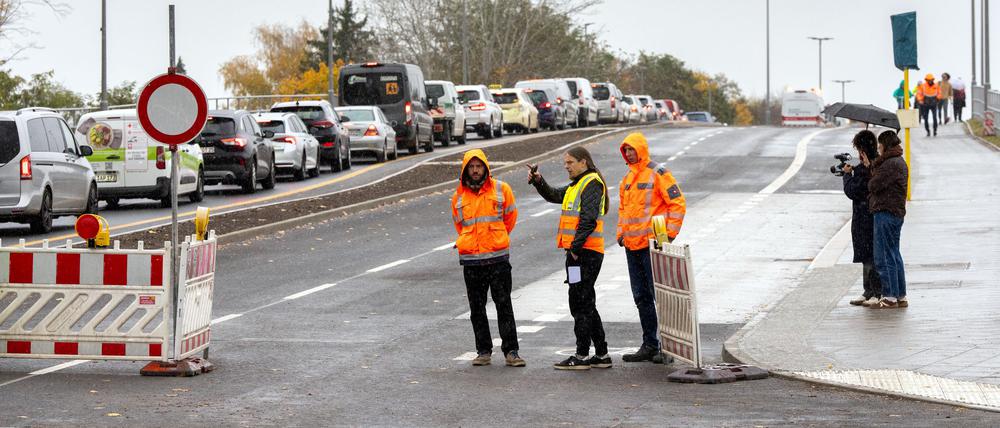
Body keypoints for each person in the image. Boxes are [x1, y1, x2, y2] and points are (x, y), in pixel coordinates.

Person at [527, 147, 612, 370]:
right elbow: (555, 195)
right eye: (565, 163)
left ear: (584, 162)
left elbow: (588, 219)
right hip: (579, 254)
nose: (566, 166)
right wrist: (538, 181)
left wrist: (574, 249)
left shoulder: (591, 183)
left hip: (585, 254)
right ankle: (601, 354)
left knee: (581, 303)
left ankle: (582, 355)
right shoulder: (578, 184)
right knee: (584, 302)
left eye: (570, 162)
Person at [615, 132, 686, 364]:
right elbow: (623, 210)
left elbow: (677, 203)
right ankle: (649, 345)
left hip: (652, 246)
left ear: (641, 149)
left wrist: (668, 235)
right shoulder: (627, 179)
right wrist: (621, 235)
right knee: (641, 297)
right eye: (626, 150)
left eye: (632, 149)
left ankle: (668, 348)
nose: (628, 153)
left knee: (660, 297)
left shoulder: (658, 173)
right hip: (632, 246)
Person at [451, 149, 524, 367]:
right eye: (471, 167)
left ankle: (511, 351)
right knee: (476, 309)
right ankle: (483, 351)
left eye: (479, 166)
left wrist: (496, 238)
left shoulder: (502, 189)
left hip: (497, 259)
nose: (475, 170)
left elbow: (510, 218)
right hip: (472, 261)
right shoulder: (458, 197)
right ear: (465, 170)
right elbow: (460, 225)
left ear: (485, 168)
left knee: (504, 305)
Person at [865, 131, 909, 309]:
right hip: (894, 212)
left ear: (886, 144)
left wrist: (872, 168)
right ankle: (900, 295)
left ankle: (890, 296)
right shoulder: (897, 161)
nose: (878, 148)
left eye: (880, 144)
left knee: (884, 255)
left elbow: (873, 185)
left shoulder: (890, 164)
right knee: (894, 253)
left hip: (886, 212)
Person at [842, 130, 882, 307]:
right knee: (866, 255)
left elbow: (853, 191)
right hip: (863, 216)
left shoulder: (873, 167)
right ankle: (868, 290)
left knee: (871, 255)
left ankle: (876, 291)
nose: (858, 153)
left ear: (863, 150)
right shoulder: (868, 166)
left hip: (868, 216)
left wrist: (847, 175)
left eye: (859, 149)